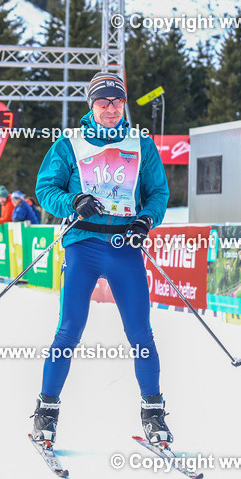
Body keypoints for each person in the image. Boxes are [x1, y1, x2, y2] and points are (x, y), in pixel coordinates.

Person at [31, 71, 172, 446]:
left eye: (117, 102)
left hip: (124, 246)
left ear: (124, 104)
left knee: (140, 333)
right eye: (103, 102)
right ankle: (46, 410)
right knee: (69, 329)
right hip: (84, 244)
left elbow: (158, 191)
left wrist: (146, 219)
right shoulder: (69, 143)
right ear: (91, 106)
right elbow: (46, 188)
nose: (111, 109)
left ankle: (153, 413)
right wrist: (72, 202)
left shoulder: (141, 143)